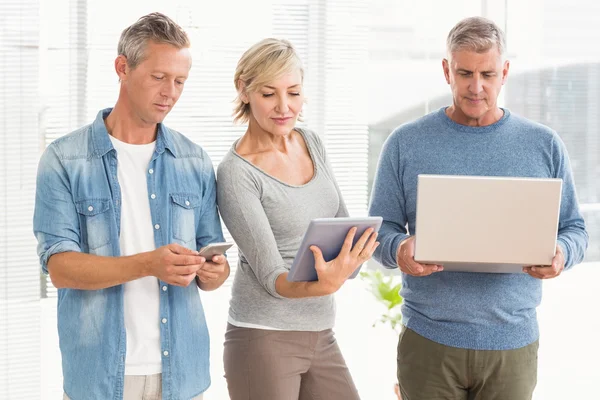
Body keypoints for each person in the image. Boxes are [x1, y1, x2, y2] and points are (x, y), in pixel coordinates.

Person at [369, 16, 588, 400]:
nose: (476, 87)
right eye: (464, 73)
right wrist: (400, 250)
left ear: (504, 72)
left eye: (487, 74)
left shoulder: (543, 144)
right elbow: (379, 232)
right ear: (446, 71)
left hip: (512, 345)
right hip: (428, 340)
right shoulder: (405, 143)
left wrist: (561, 253)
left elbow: (574, 229)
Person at [33, 13, 229, 400]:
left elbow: (215, 272)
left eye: (180, 81)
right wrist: (148, 264)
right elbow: (60, 267)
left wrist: (212, 271)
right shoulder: (65, 159)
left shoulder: (194, 160)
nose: (170, 92)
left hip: (183, 375)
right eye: (159, 77)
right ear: (122, 67)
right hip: (100, 375)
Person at [217, 38, 378, 400]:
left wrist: (353, 256)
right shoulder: (237, 173)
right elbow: (273, 277)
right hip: (262, 336)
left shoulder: (311, 143)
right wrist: (326, 283)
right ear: (243, 90)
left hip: (321, 331)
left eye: (293, 92)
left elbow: (342, 226)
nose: (284, 107)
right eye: (268, 93)